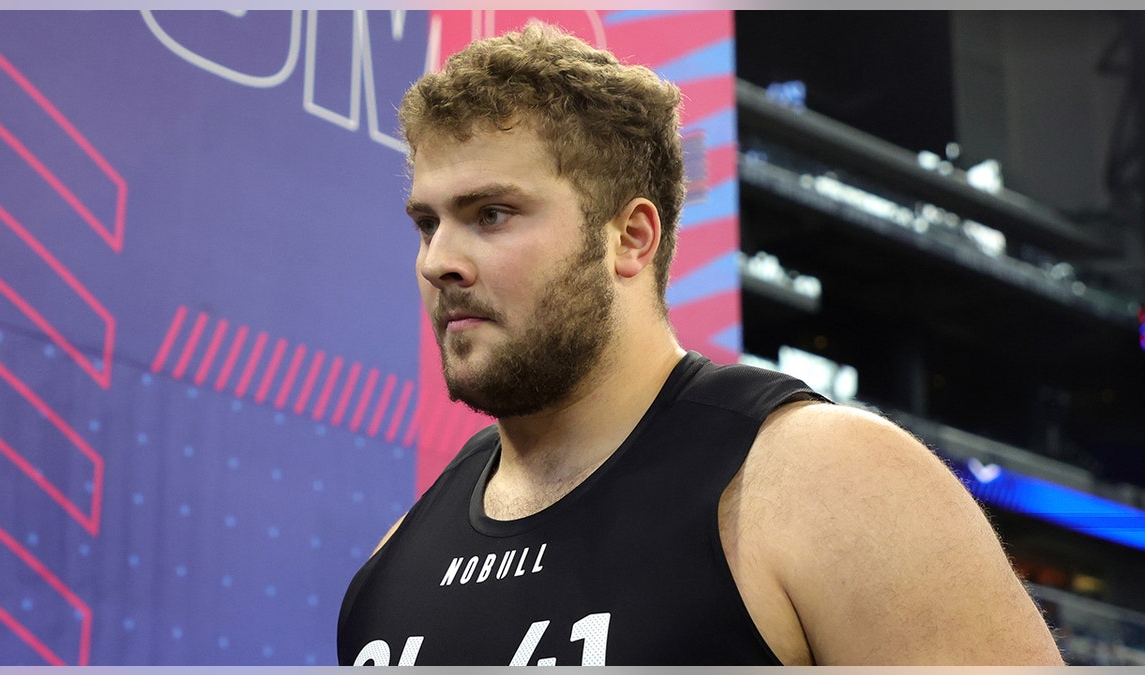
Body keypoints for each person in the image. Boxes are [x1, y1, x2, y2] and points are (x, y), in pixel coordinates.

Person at [336, 22, 1065, 666]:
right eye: (427, 224)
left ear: (630, 237)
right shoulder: (394, 563)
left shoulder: (827, 481)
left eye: (491, 214)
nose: (439, 261)